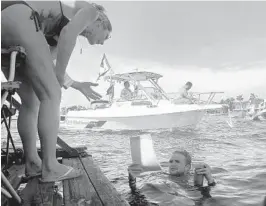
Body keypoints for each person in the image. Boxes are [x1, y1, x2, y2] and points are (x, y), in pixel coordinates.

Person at [1, 0, 112, 182]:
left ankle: (32, 163)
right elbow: (69, 35)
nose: (102, 43)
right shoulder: (92, 12)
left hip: (6, 20)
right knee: (52, 94)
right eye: (106, 37)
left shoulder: (56, 31)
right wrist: (58, 79)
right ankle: (50, 166)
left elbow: (48, 65)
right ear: (100, 23)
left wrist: (74, 84)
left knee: (32, 101)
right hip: (21, 15)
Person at [128, 150, 216, 205]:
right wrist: (132, 180)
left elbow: (204, 198)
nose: (172, 164)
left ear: (187, 167)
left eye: (177, 161)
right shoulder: (161, 176)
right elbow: (140, 191)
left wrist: (210, 180)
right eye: (171, 161)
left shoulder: (192, 178)